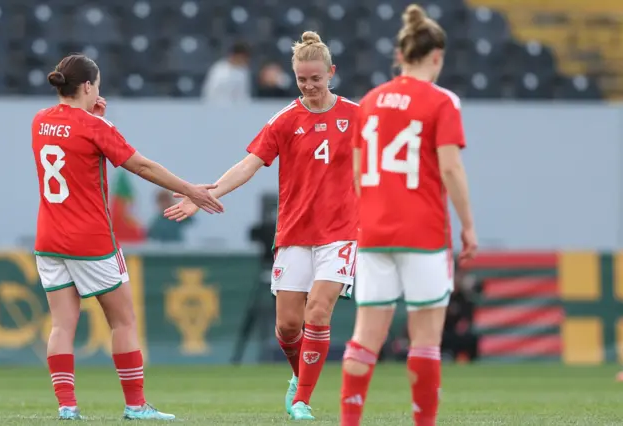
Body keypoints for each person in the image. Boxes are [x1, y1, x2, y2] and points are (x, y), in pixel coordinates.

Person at [165, 31, 359, 421]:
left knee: (317, 313)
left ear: (331, 72)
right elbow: (249, 164)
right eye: (302, 79)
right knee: (288, 327)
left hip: (339, 233)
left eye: (316, 78)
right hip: (294, 233)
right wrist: (204, 194)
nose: (309, 85)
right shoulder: (285, 120)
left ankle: (302, 400)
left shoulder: (357, 116)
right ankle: (299, 379)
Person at [32, 53, 224, 421]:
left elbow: (73, 145)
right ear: (87, 86)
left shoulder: (39, 122)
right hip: (91, 240)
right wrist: (190, 190)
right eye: (97, 86)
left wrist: (94, 117)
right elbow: (142, 165)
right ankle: (136, 404)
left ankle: (67, 407)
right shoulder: (96, 128)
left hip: (49, 239)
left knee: (61, 325)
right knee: (123, 321)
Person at [339, 5, 478, 426]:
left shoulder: (369, 101)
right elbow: (451, 167)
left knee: (366, 337)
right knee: (426, 340)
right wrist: (468, 225)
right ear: (436, 56)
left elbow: (359, 174)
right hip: (423, 233)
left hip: (375, 232)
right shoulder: (442, 102)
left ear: (400, 55)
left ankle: (349, 422)